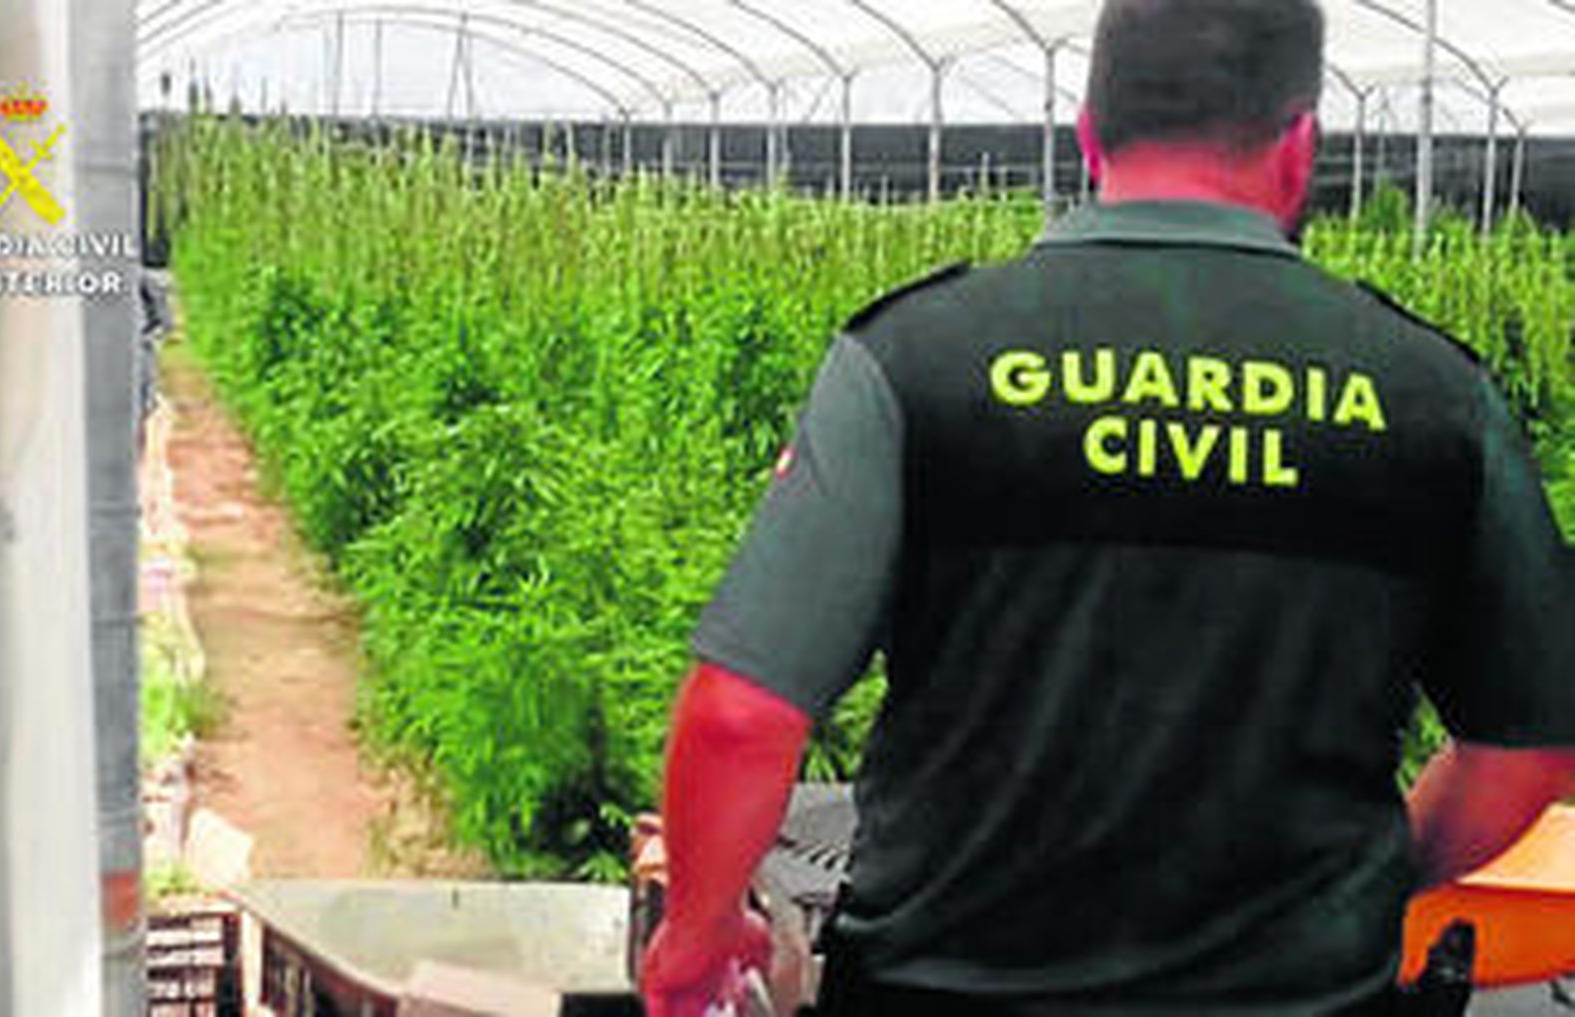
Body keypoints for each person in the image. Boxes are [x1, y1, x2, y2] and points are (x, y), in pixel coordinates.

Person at [641, 1, 1575, 1013]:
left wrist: (695, 933)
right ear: (1301, 145)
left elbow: (741, 715)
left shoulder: (918, 358)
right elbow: (1526, 750)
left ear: (1088, 135)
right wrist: (1358, 893)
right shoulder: (1432, 395)